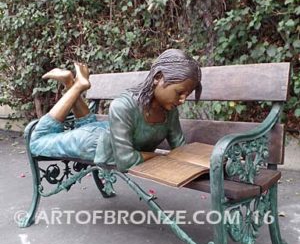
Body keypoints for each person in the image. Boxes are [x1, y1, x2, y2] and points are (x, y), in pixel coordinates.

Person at [30, 49, 202, 172]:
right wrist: (161, 157)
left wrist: (208, 163)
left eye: (187, 94)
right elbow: (126, 162)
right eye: (180, 92)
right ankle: (76, 86)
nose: (183, 100)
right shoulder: (123, 106)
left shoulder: (169, 110)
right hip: (91, 142)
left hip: (108, 132)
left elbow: (179, 149)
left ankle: (70, 83)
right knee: (37, 141)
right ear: (158, 78)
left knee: (88, 123)